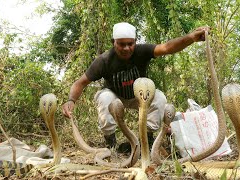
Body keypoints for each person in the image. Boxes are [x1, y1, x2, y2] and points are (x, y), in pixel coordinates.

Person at [62, 22, 209, 150]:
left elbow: (167, 48)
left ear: (135, 42)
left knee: (159, 97)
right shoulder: (104, 60)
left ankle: (146, 139)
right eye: (121, 44)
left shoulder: (142, 51)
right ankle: (111, 142)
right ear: (113, 42)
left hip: (139, 96)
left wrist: (191, 37)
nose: (126, 48)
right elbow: (80, 83)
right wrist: (71, 100)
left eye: (130, 44)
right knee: (104, 97)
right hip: (116, 98)